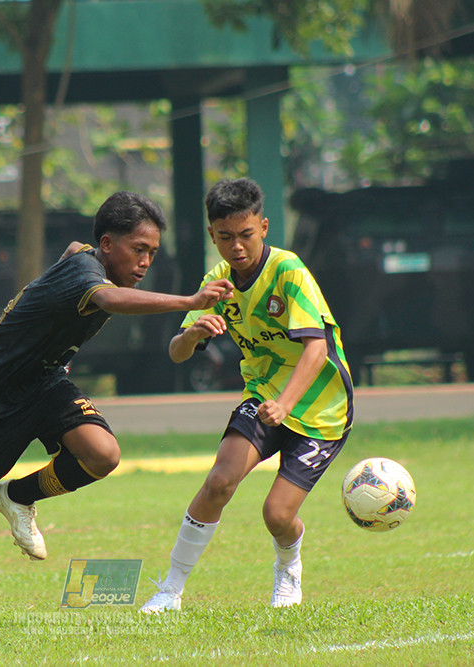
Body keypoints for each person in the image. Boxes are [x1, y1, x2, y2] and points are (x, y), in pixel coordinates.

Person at [0, 191, 235, 625]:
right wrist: (190, 302)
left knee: (103, 454)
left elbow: (75, 249)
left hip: (42, 380)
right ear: (109, 245)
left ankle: (17, 496)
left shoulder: (84, 257)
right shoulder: (87, 274)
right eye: (138, 250)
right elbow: (109, 299)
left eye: (152, 252)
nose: (146, 262)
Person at [139, 177, 353, 613]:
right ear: (211, 234)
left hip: (321, 407)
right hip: (262, 393)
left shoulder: (288, 271)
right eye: (225, 237)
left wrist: (287, 404)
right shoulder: (218, 279)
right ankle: (171, 589)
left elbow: (316, 348)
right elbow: (177, 353)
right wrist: (194, 329)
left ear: (264, 227)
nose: (236, 247)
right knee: (219, 481)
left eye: (246, 235)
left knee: (276, 515)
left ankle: (288, 566)